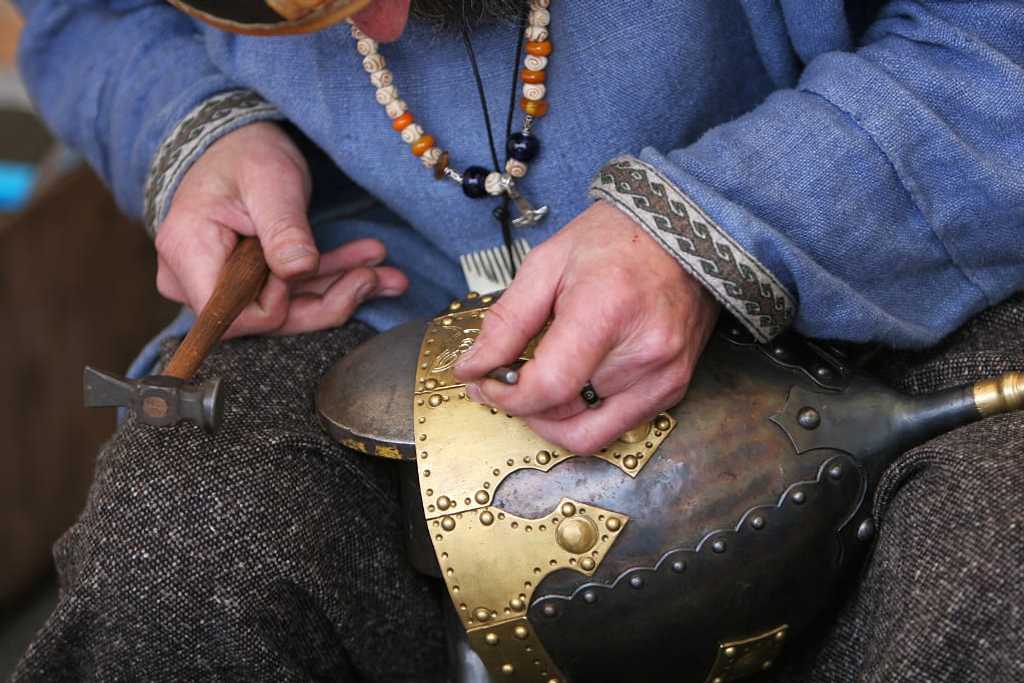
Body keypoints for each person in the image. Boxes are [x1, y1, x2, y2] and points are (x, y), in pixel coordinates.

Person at [11, 0, 1024, 680]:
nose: (382, 24)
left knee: (995, 573)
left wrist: (727, 219)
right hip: (364, 281)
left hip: (880, 252)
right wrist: (193, 124)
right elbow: (86, 15)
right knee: (176, 568)